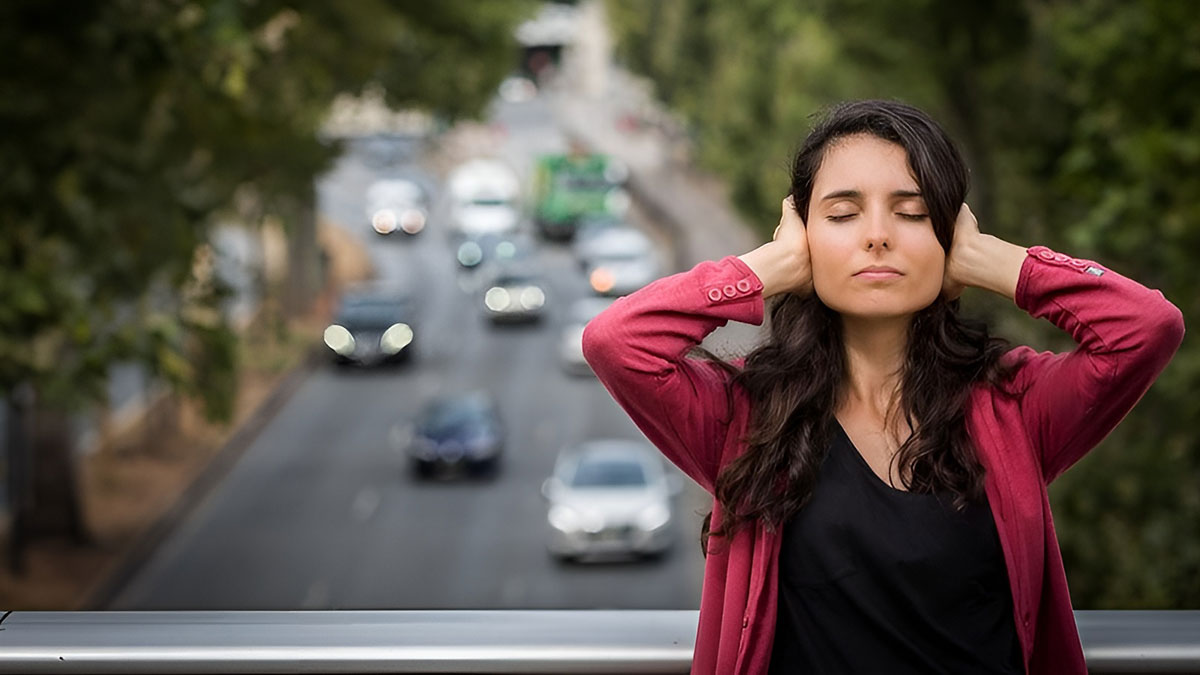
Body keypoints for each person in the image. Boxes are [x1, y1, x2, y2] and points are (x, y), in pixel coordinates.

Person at [582, 99, 1184, 674]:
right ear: (802, 236)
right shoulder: (746, 416)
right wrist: (766, 269)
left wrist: (992, 260)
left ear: (949, 237)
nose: (878, 236)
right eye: (842, 214)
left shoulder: (1013, 407)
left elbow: (1145, 328)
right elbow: (617, 342)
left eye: (915, 213)